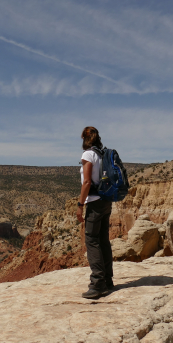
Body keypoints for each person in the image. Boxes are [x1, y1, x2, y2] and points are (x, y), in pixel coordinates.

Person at [77, 126, 113, 299]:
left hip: (94, 202)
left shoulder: (88, 155)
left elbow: (87, 182)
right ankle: (108, 280)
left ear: (85, 138)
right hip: (106, 201)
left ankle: (98, 284)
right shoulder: (101, 154)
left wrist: (80, 205)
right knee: (103, 240)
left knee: (92, 240)